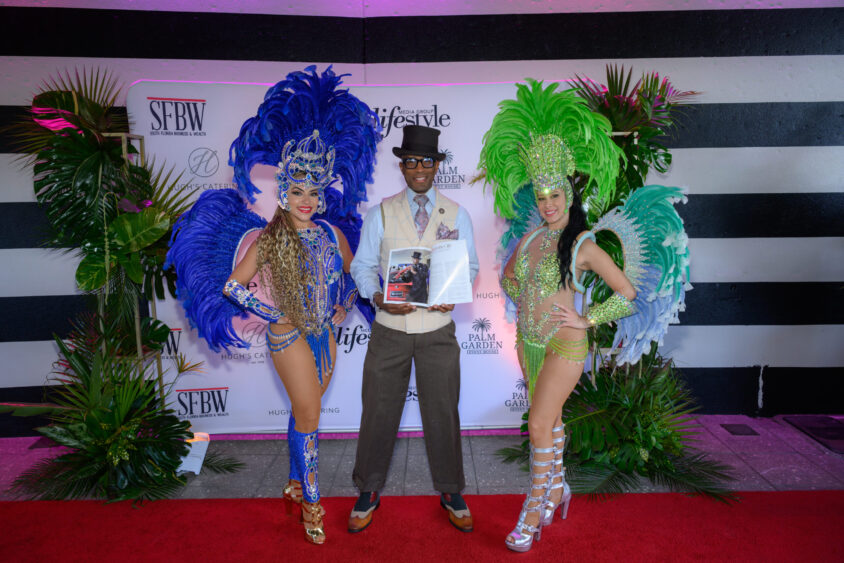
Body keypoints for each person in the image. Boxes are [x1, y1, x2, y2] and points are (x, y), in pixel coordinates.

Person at [166, 67, 381, 545]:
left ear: (323, 192)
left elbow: (350, 279)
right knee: (310, 417)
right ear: (285, 190)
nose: (306, 200)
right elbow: (232, 287)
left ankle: (291, 480)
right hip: (288, 336)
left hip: (327, 336)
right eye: (298, 190)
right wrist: (273, 316)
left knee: (304, 411)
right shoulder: (269, 238)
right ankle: (312, 502)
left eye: (314, 191)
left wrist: (346, 304)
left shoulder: (331, 233)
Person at [480, 80, 690, 552]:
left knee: (536, 424)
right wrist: (528, 301)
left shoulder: (583, 244)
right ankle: (558, 489)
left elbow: (628, 292)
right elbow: (510, 278)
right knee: (550, 421)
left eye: (555, 194)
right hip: (528, 343)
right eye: (540, 195)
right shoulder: (532, 239)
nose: (548, 203)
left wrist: (585, 320)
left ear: (570, 192)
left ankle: (534, 509)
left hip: (564, 345)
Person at [348, 124, 479, 533]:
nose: (418, 168)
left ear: (437, 165)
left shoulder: (457, 214)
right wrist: (377, 296)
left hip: (438, 329)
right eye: (410, 162)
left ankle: (451, 489)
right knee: (378, 412)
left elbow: (470, 266)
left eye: (425, 161)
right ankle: (368, 489)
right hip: (390, 328)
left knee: (442, 411)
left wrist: (455, 293)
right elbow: (362, 266)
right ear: (402, 167)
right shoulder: (381, 212)